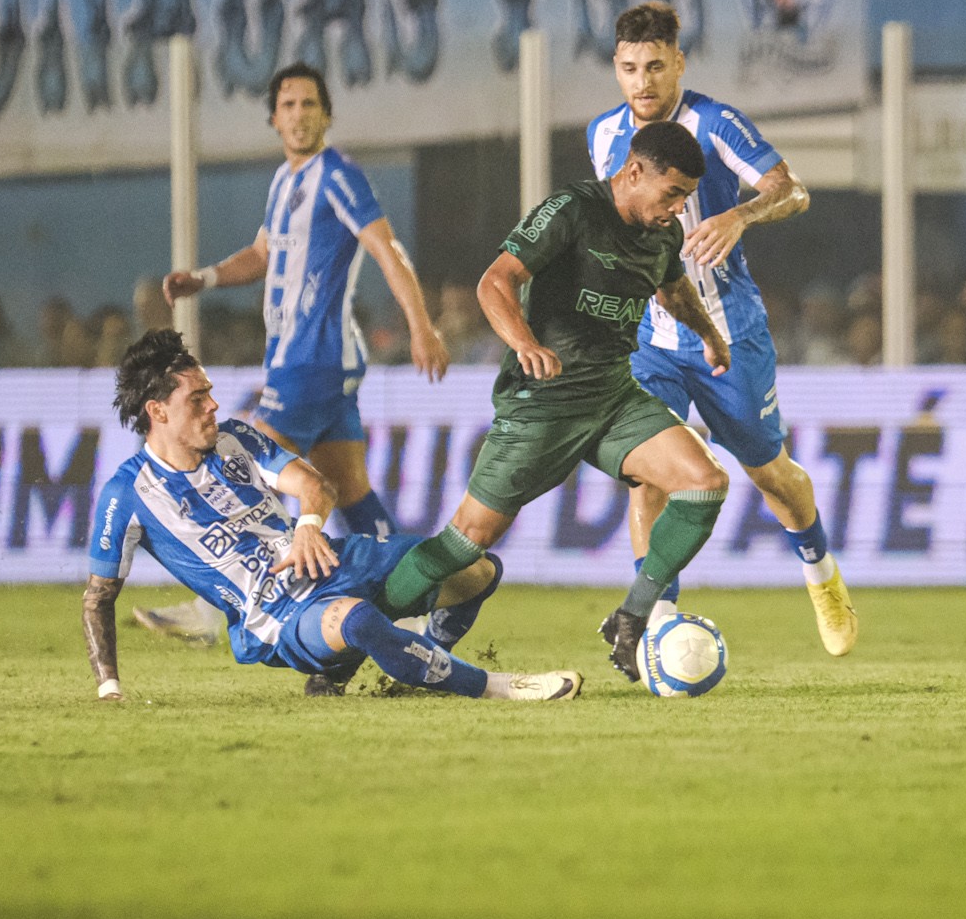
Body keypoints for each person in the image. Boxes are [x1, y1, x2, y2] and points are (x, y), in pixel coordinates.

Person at [374, 122, 736, 684]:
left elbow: (673, 288)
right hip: (541, 404)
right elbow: (495, 281)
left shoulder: (661, 233)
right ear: (634, 171)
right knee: (464, 543)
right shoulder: (571, 209)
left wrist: (710, 334)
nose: (678, 209)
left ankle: (631, 617)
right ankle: (354, 635)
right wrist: (524, 343)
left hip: (614, 398)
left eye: (686, 197)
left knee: (704, 481)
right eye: (672, 193)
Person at [81, 330, 580, 704]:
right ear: (158, 411)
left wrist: (307, 527)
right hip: (276, 614)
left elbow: (316, 485)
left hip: (329, 561)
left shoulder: (235, 438)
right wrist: (109, 687)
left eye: (209, 392)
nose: (213, 405)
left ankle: (425, 665)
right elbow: (99, 597)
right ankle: (497, 687)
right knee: (358, 620)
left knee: (475, 569)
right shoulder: (128, 494)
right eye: (197, 398)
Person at [588, 2, 856, 660]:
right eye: (629, 68)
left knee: (772, 477)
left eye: (655, 65)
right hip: (652, 338)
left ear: (679, 61)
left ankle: (821, 572)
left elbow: (793, 191)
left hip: (729, 334)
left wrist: (741, 215)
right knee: (650, 476)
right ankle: (655, 624)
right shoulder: (601, 135)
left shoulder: (712, 122)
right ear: (616, 69)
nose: (643, 81)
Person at [164, 63, 448, 551]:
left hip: (311, 359)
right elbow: (261, 254)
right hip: (316, 362)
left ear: (327, 116)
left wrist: (421, 327)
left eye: (309, 105)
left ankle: (221, 604)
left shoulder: (338, 175)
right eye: (288, 105)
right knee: (351, 493)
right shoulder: (283, 182)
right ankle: (414, 592)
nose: (299, 115)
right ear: (274, 118)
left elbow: (387, 249)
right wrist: (204, 279)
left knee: (243, 469)